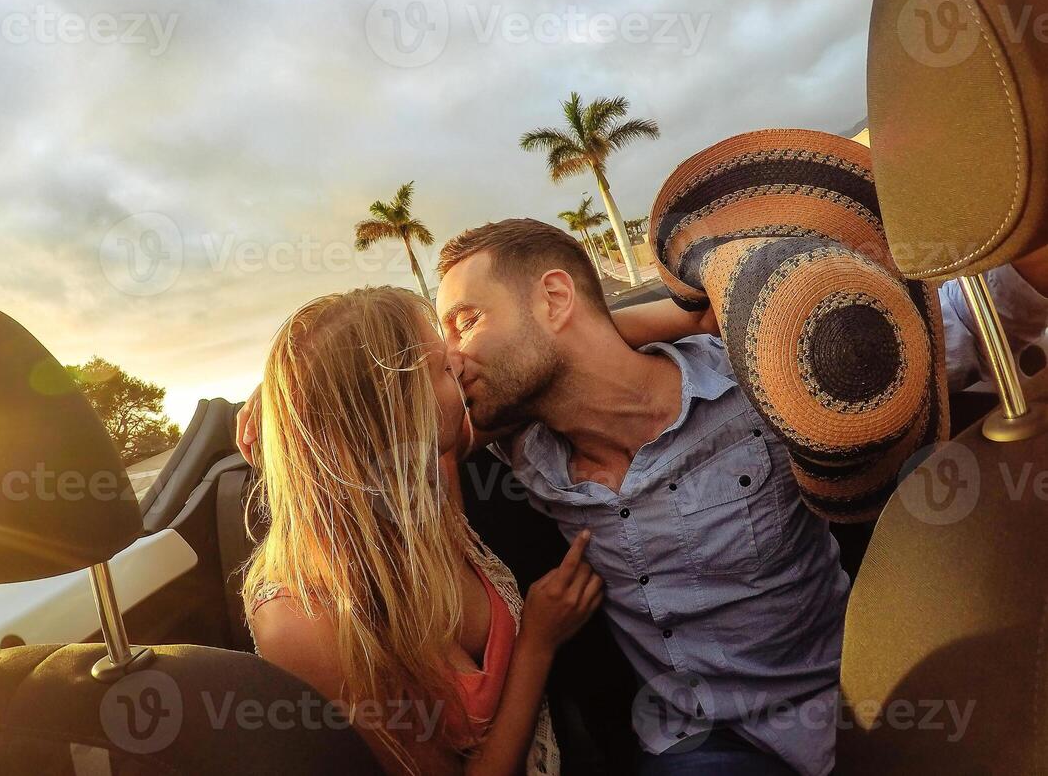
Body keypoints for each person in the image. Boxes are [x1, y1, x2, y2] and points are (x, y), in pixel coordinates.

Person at [430, 218, 1048, 776]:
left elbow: (945, 337)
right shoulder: (519, 453)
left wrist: (1024, 229)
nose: (452, 359)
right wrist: (665, 316)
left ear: (555, 298)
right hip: (692, 743)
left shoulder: (755, 376)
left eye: (467, 321)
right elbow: (393, 430)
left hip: (841, 706)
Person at [241, 285, 602, 775]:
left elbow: (563, 349)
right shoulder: (304, 618)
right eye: (440, 368)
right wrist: (538, 641)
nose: (459, 364)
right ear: (397, 411)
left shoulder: (429, 477)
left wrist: (697, 317)